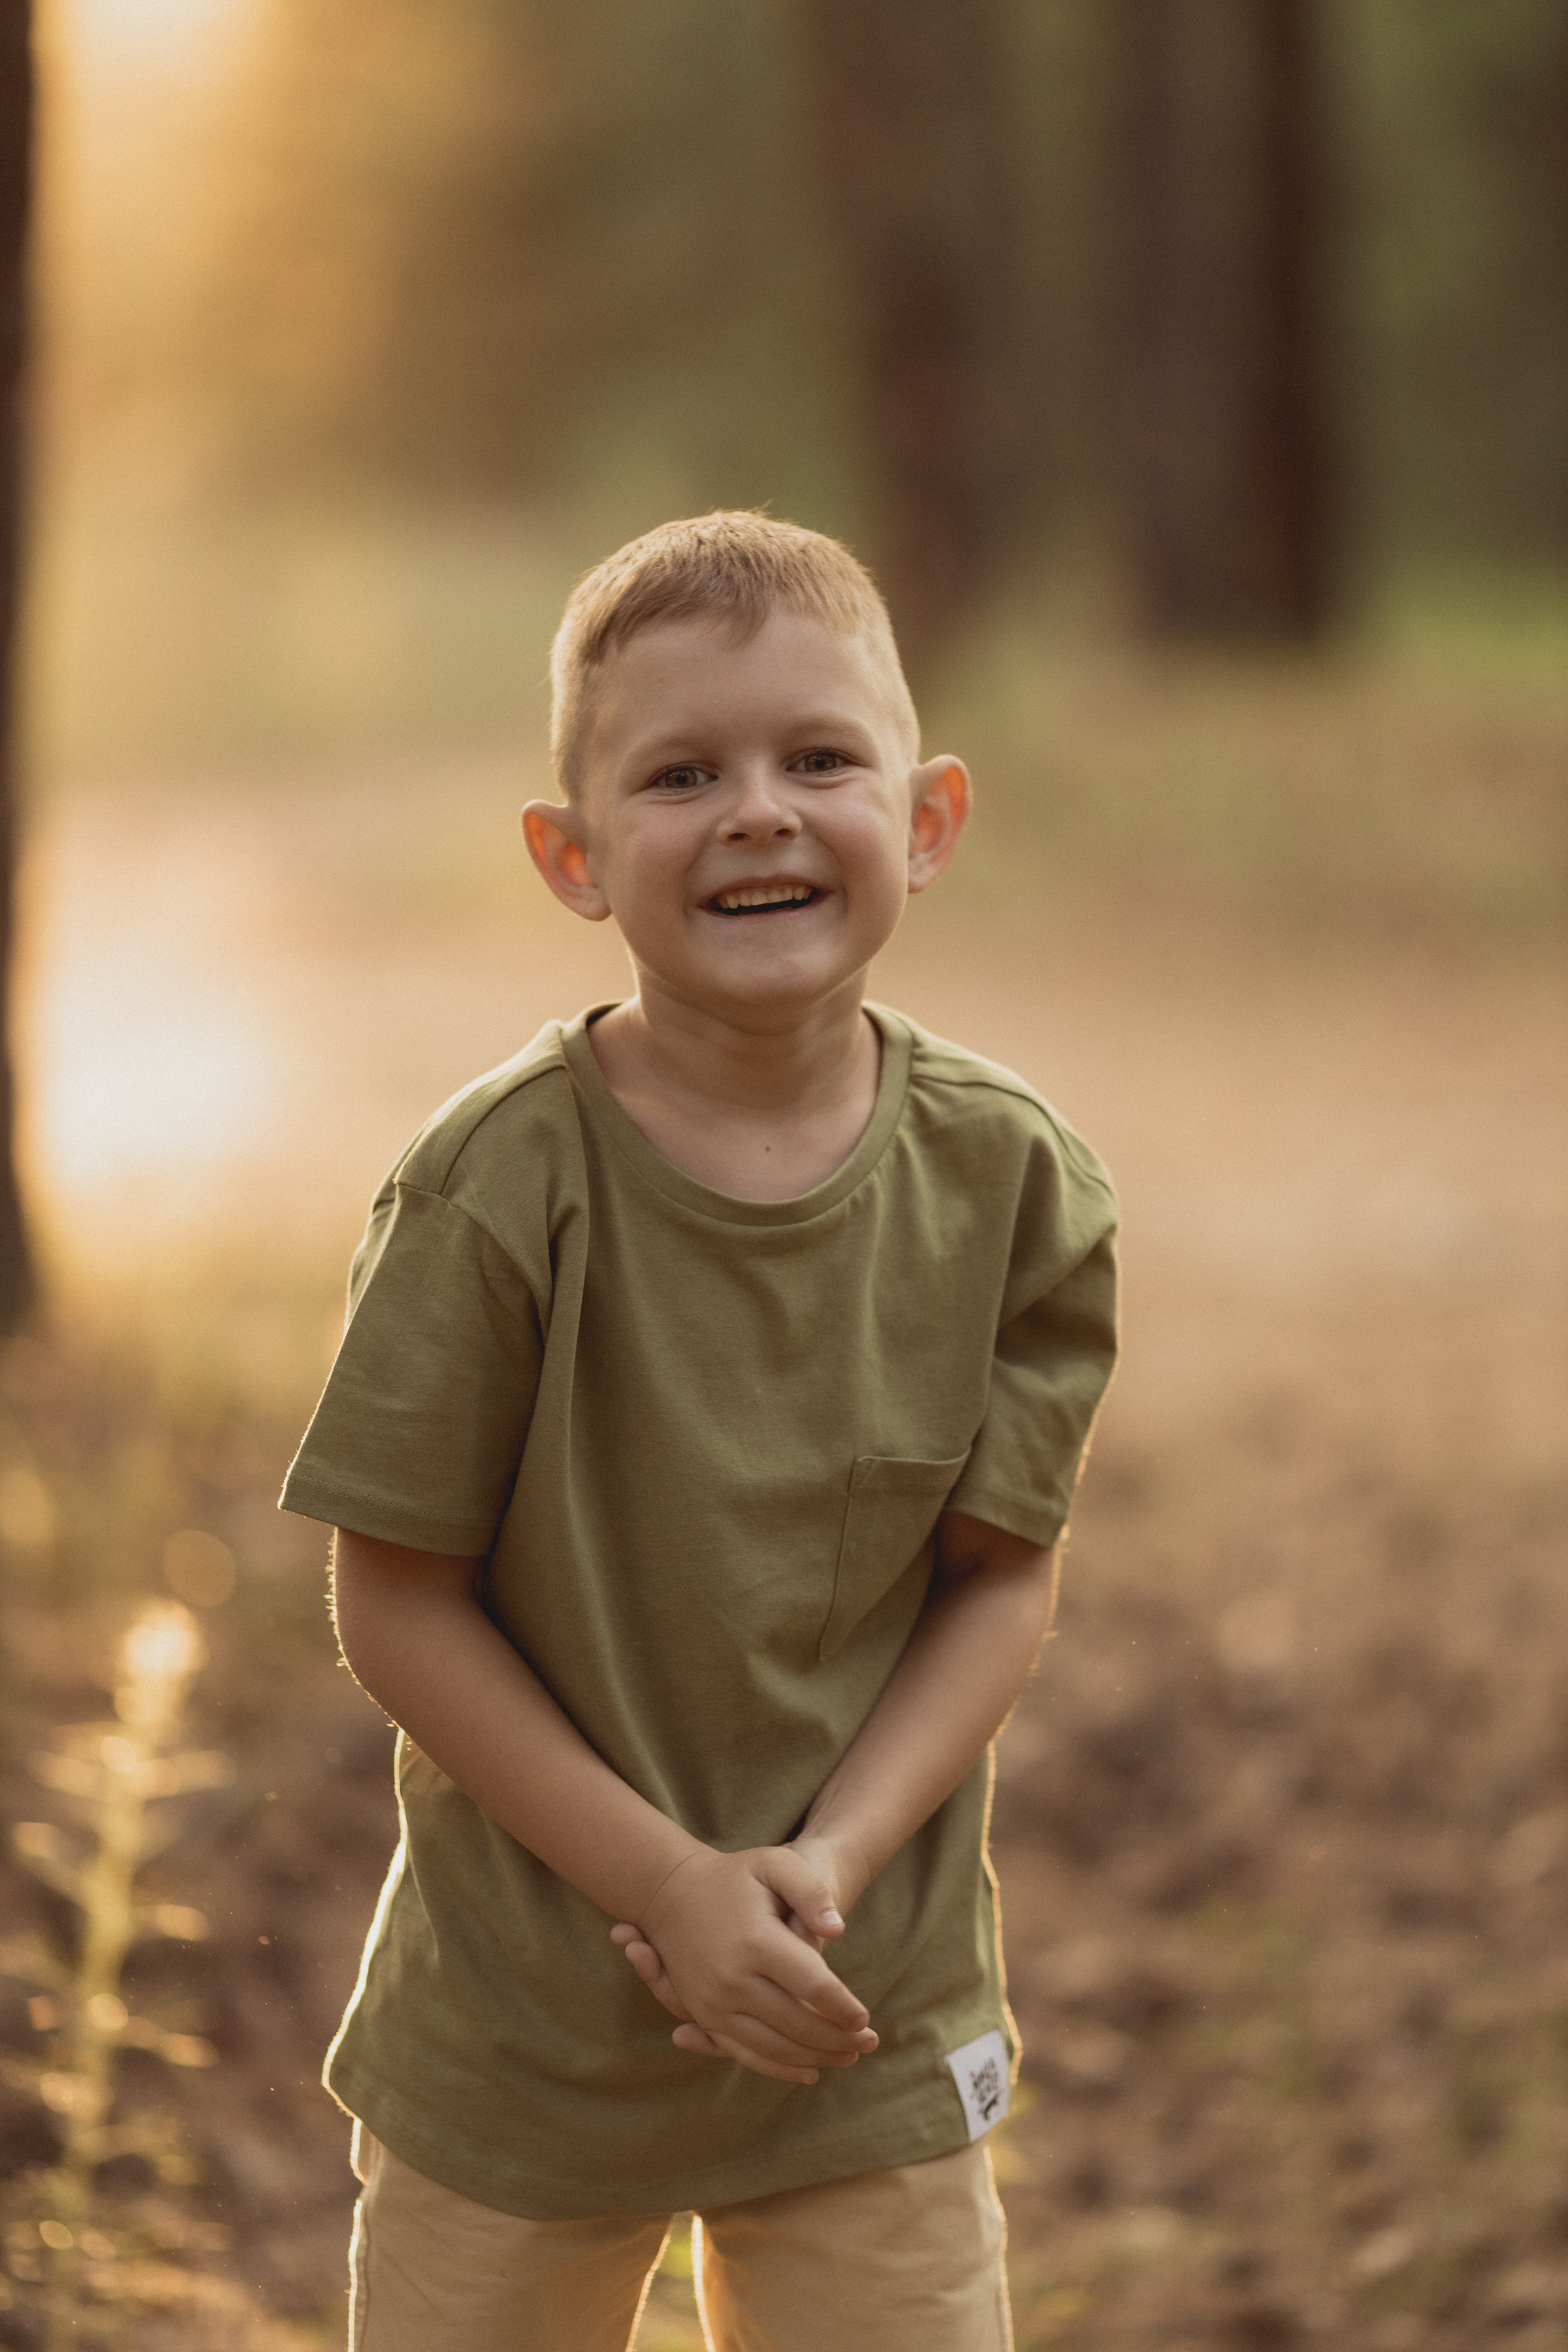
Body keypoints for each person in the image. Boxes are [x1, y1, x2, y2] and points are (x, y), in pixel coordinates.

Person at [280, 510, 1118, 2352]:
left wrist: (825, 1868)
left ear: (927, 819)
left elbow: (1000, 1578)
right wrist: (668, 1883)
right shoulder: (494, 1189)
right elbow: (395, 1600)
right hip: (526, 2031)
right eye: (682, 774)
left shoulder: (1010, 1185)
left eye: (820, 757)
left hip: (859, 2010)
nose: (757, 809)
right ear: (573, 859)